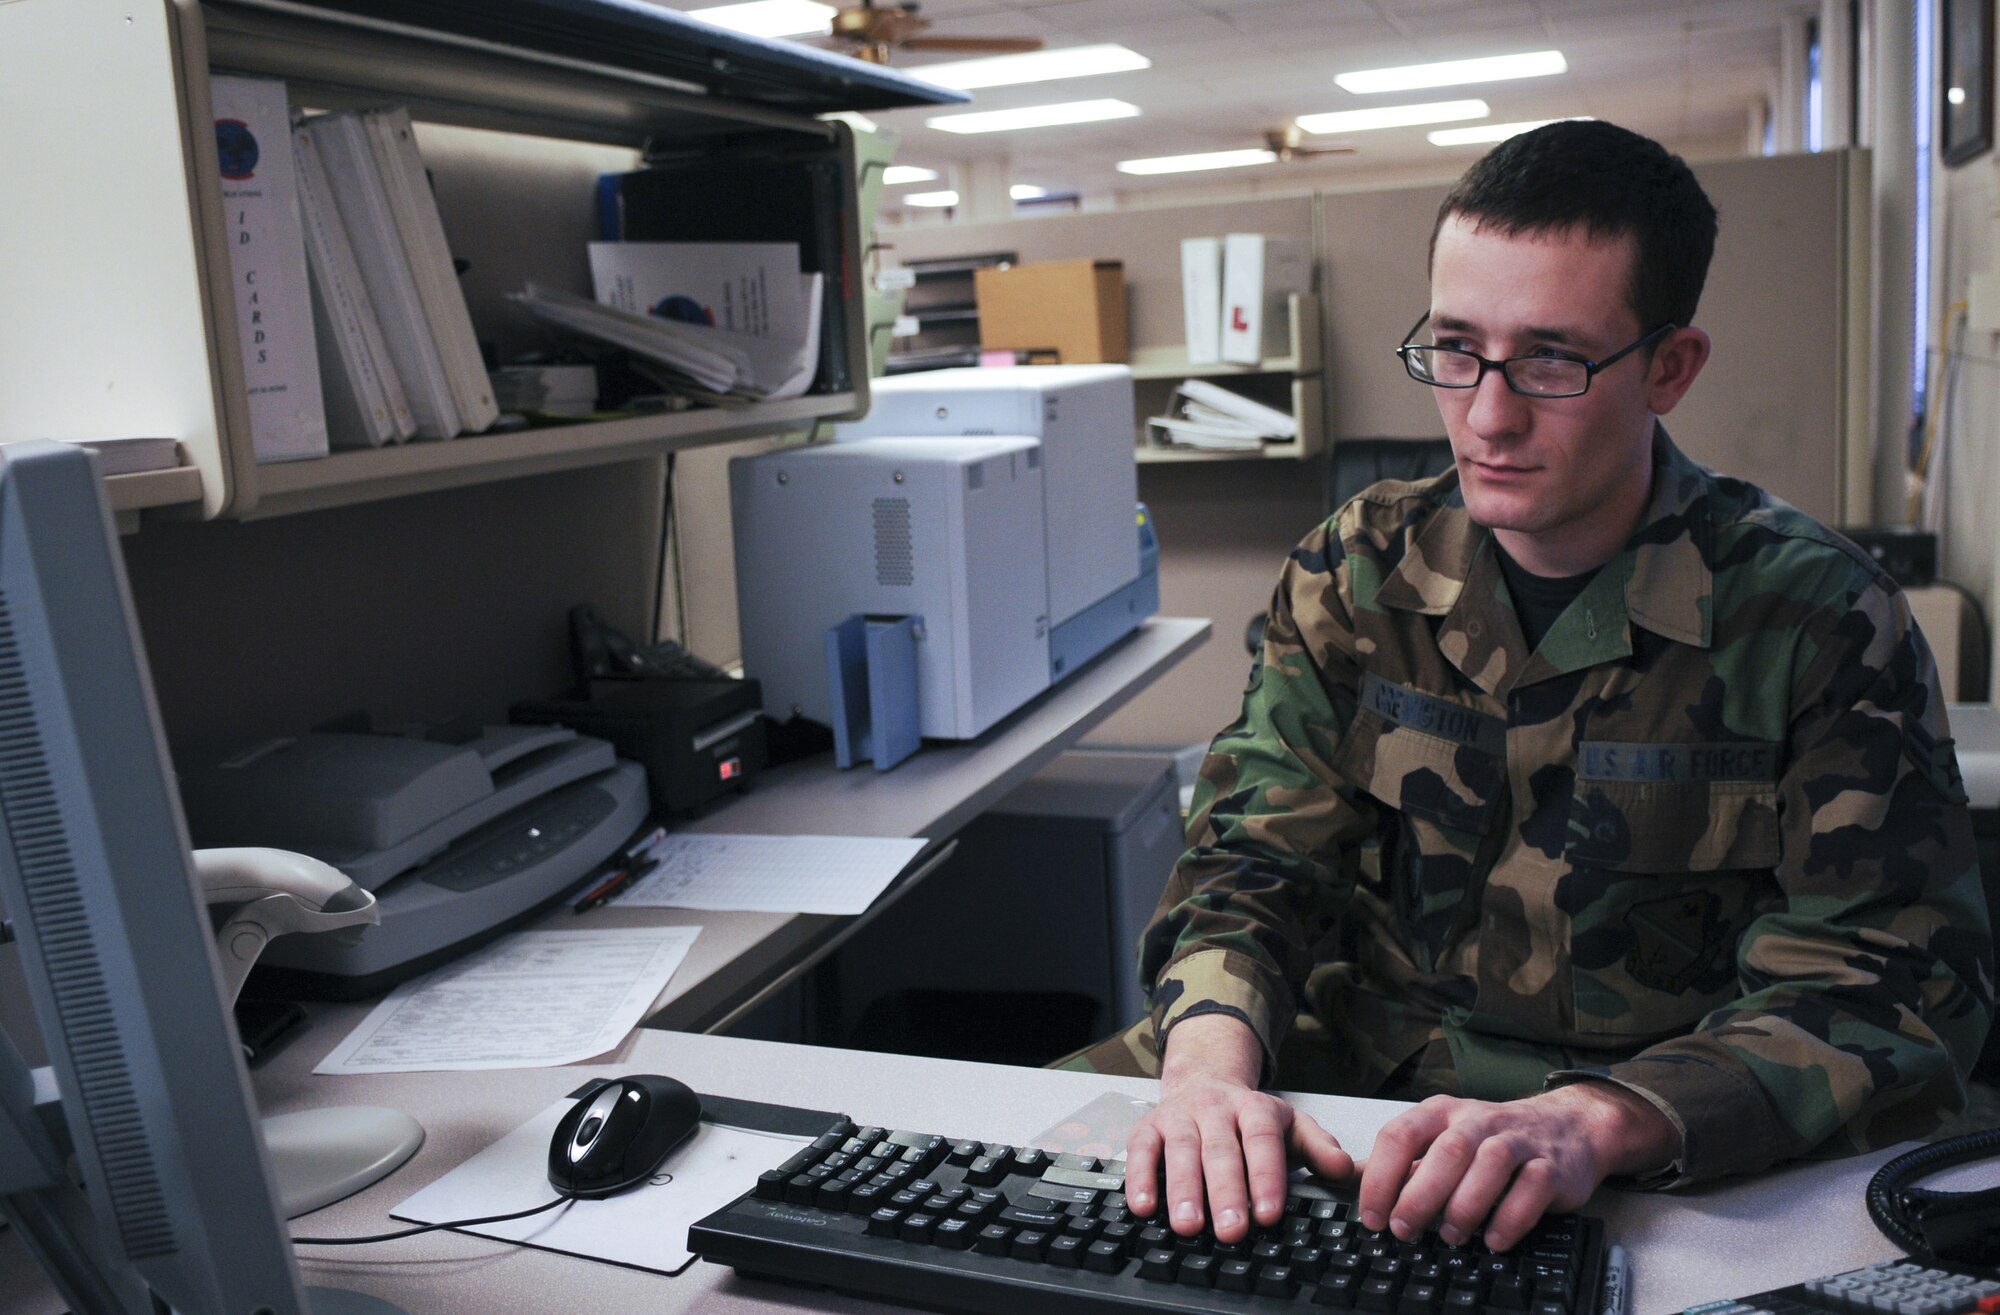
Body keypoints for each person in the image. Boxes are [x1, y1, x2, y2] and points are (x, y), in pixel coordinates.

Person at [1062, 119, 1992, 1255]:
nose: (1488, 417)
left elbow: (1886, 982)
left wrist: (1600, 1118)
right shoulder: (1359, 567)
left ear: (1669, 368)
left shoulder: (1815, 617)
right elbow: (1252, 857)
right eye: (1456, 348)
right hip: (1359, 1083)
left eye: (1552, 360)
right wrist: (1209, 1070)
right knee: (994, 1185)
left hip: (1653, 1127)